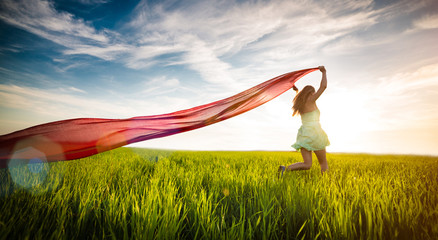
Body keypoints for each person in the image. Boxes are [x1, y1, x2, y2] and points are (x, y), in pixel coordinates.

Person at [279, 66, 330, 176]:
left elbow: (299, 96)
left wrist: (296, 90)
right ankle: (326, 182)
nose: (314, 94)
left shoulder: (300, 105)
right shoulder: (312, 100)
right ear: (311, 93)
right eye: (313, 92)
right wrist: (324, 72)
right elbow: (324, 86)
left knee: (307, 164)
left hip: (304, 134)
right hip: (316, 133)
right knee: (323, 162)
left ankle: (285, 169)